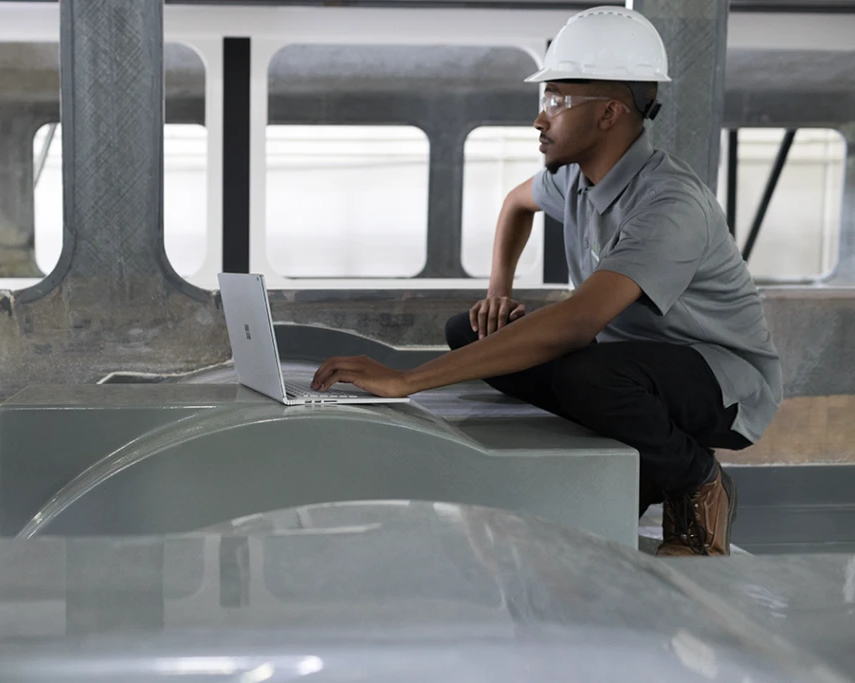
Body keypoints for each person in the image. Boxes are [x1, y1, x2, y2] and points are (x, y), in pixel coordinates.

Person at [310, 6, 782, 557]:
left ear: (609, 113)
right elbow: (516, 205)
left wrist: (408, 380)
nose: (541, 118)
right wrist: (498, 294)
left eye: (557, 100)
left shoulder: (669, 204)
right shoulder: (576, 180)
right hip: (629, 363)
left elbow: (579, 321)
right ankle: (643, 456)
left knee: (587, 375)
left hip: (721, 380)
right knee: (470, 332)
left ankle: (696, 480)